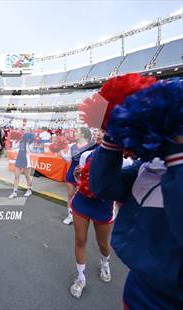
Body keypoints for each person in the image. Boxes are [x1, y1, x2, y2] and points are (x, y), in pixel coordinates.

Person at [89, 78, 183, 309]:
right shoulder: (150, 165)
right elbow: (103, 186)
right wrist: (114, 137)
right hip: (138, 288)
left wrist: (177, 156)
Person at [68, 130, 113, 299]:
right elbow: (80, 181)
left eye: (105, 131)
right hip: (82, 202)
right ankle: (80, 278)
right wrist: (76, 176)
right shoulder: (86, 155)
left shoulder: (124, 158)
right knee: (80, 240)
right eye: (99, 131)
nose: (100, 134)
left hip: (103, 205)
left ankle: (105, 262)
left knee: (102, 243)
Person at [60, 127, 93, 225]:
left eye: (76, 132)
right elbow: (67, 159)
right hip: (72, 172)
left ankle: (82, 215)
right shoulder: (72, 146)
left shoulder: (91, 146)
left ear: (83, 134)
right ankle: (70, 216)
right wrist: (60, 151)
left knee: (82, 196)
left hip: (85, 174)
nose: (74, 133)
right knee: (70, 194)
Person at [8, 132, 34, 198]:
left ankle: (29, 190)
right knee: (16, 176)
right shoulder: (20, 141)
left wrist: (27, 142)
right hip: (19, 159)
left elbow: (30, 150)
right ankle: (14, 192)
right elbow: (14, 147)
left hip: (26, 160)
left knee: (27, 176)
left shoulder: (30, 143)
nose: (23, 137)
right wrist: (14, 140)